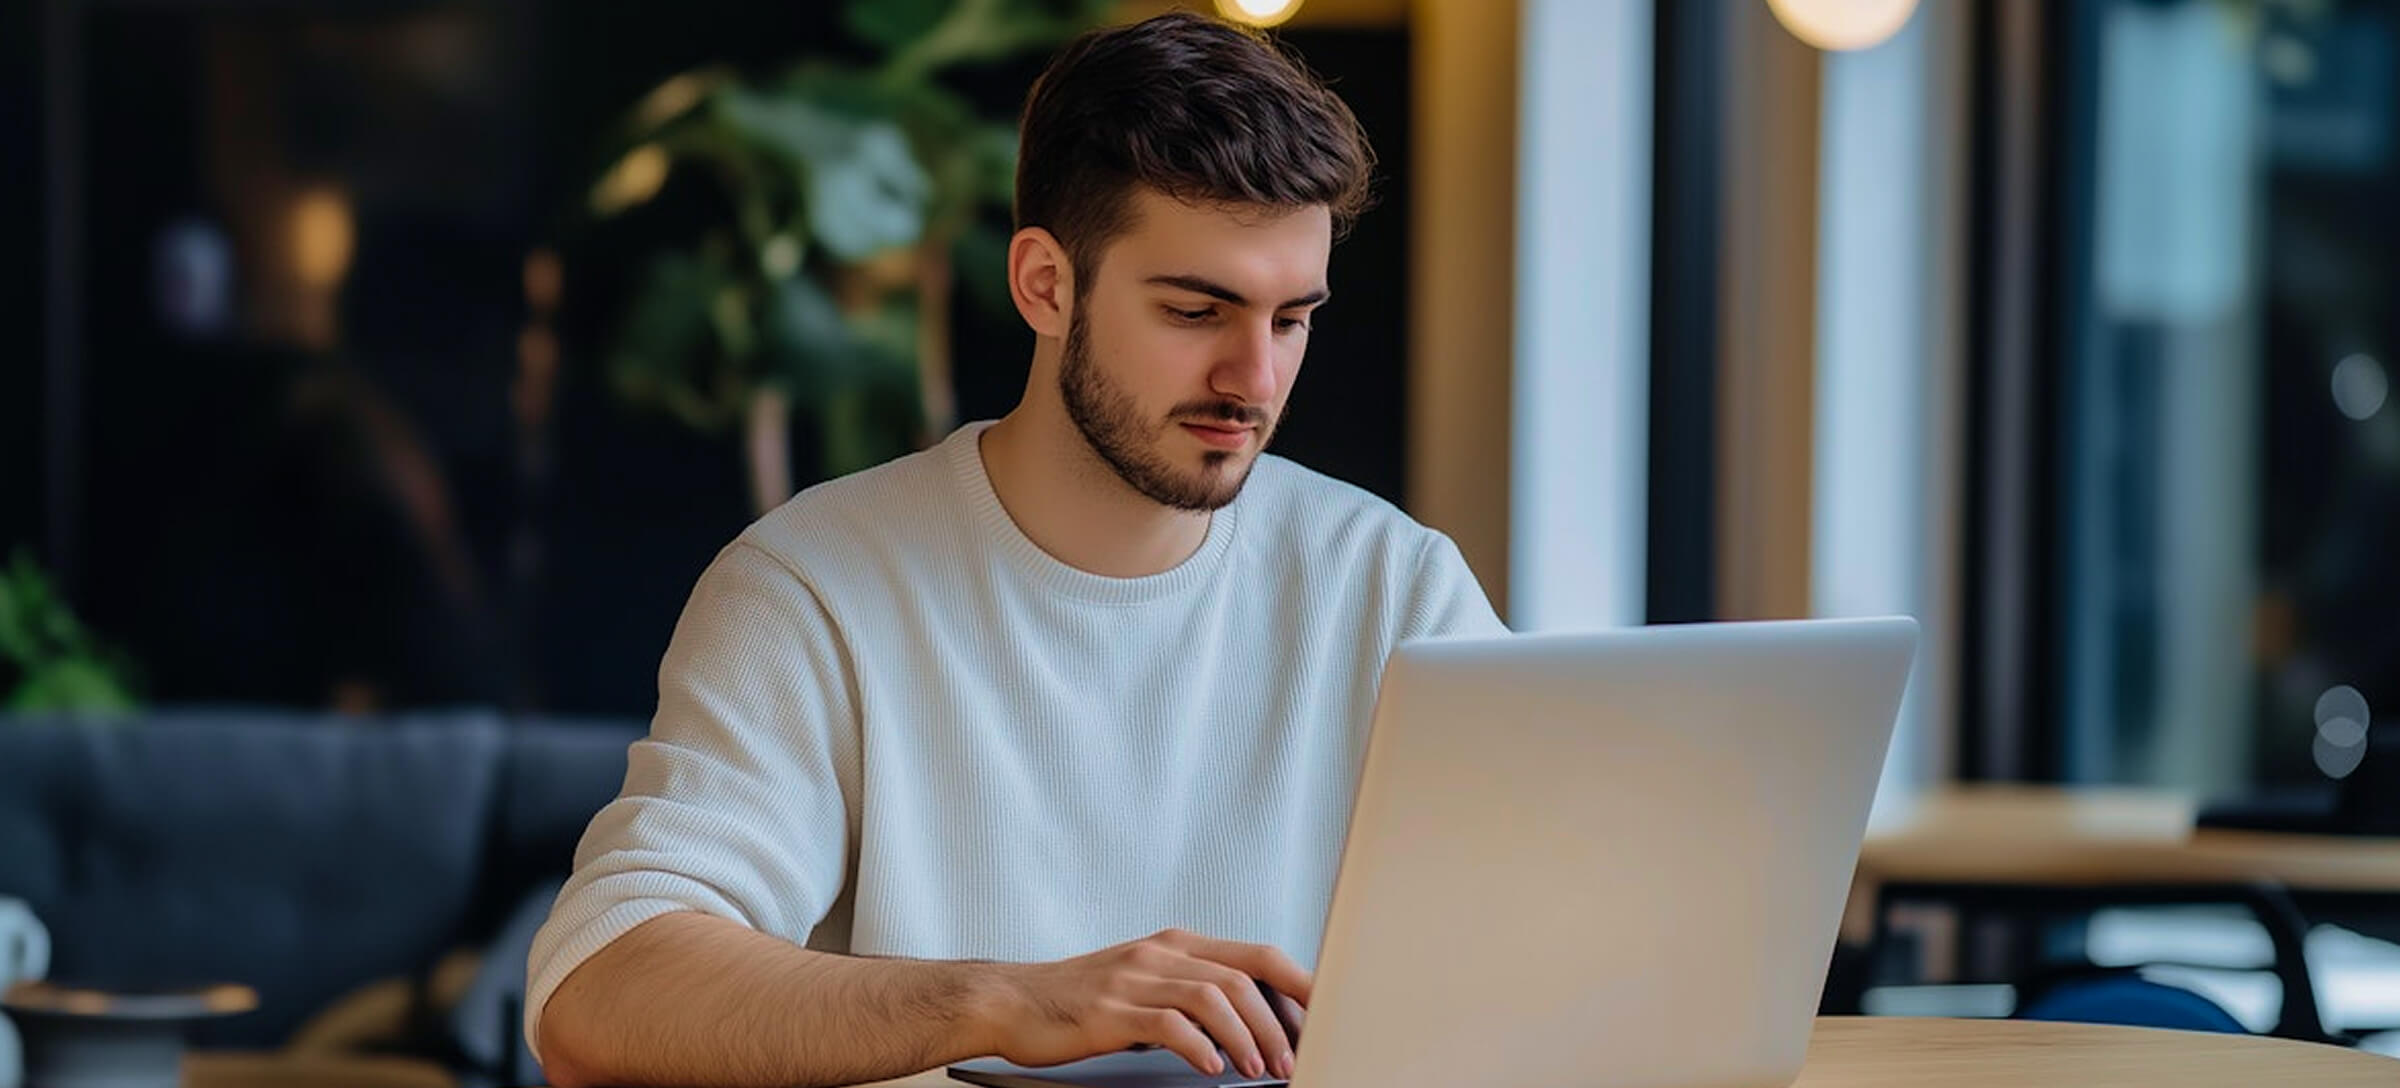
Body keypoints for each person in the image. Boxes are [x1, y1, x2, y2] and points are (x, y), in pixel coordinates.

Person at [524, 12, 1504, 1088]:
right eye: (1195, 310)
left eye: (1290, 319)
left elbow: (1557, 952)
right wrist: (1017, 999)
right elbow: (600, 990)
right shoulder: (817, 584)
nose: (1253, 381)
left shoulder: (1395, 586)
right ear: (1045, 283)